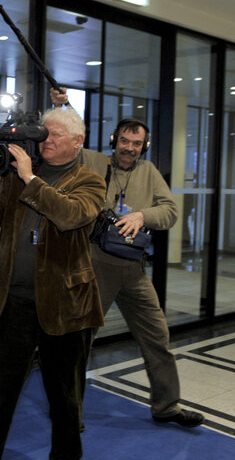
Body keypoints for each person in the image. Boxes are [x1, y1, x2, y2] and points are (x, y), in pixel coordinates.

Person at [0, 107, 106, 460]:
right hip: (13, 300)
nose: (43, 140)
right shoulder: (15, 174)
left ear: (78, 141)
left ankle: (66, 458)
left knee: (64, 393)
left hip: (66, 304)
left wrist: (31, 178)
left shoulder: (90, 180)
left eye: (54, 135)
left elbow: (69, 216)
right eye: (41, 134)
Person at [51, 88, 205, 428]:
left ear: (144, 146)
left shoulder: (148, 171)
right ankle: (69, 411)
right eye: (124, 141)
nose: (129, 148)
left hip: (134, 272)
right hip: (94, 268)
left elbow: (170, 211)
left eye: (136, 144)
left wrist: (142, 216)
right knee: (80, 342)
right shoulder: (92, 162)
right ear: (114, 140)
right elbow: (71, 135)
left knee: (157, 338)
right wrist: (63, 106)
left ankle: (167, 407)